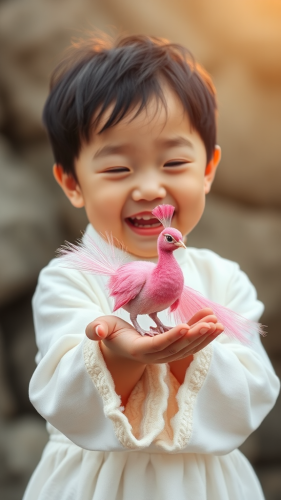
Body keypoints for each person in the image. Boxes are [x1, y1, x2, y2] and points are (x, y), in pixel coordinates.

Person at [23, 34, 279, 500]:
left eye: (174, 161)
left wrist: (185, 354)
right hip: (92, 485)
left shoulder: (225, 280)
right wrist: (120, 354)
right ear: (71, 182)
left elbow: (252, 394)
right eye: (119, 169)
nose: (148, 188)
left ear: (208, 169)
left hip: (210, 486)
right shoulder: (71, 277)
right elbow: (63, 395)